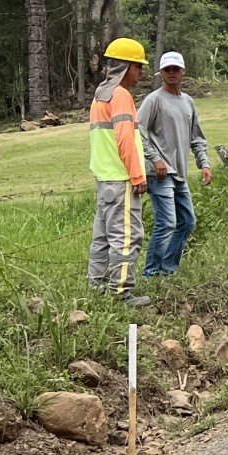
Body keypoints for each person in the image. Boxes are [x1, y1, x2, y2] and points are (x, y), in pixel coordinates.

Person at [87, 38, 150, 306]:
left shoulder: (102, 92)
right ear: (126, 67)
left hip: (104, 178)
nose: (141, 72)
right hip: (120, 177)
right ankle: (120, 293)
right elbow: (125, 138)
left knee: (102, 237)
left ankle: (97, 287)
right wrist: (137, 175)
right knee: (127, 236)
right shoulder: (121, 96)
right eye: (138, 66)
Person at [139, 50, 213, 278]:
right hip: (160, 174)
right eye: (167, 69)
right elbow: (136, 130)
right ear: (161, 73)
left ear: (183, 72)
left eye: (176, 69)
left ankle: (168, 269)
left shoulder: (188, 102)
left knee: (187, 221)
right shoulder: (153, 100)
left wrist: (204, 163)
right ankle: (150, 273)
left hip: (180, 172)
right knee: (167, 222)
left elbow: (196, 137)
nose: (172, 73)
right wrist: (155, 158)